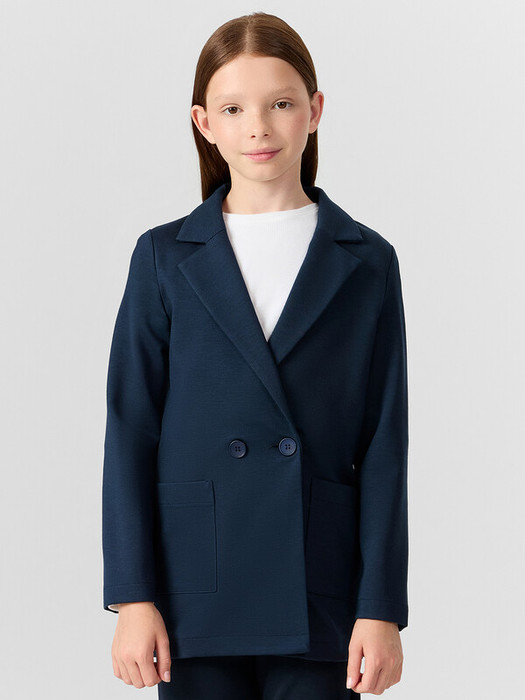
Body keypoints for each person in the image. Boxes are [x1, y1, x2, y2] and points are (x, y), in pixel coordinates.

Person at [102, 11, 409, 700]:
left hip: (319, 584)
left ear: (314, 110)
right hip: (194, 585)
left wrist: (381, 605)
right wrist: (132, 596)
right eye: (233, 108)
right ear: (203, 123)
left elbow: (384, 442)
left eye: (281, 104)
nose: (258, 128)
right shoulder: (163, 257)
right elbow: (130, 431)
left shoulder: (367, 261)